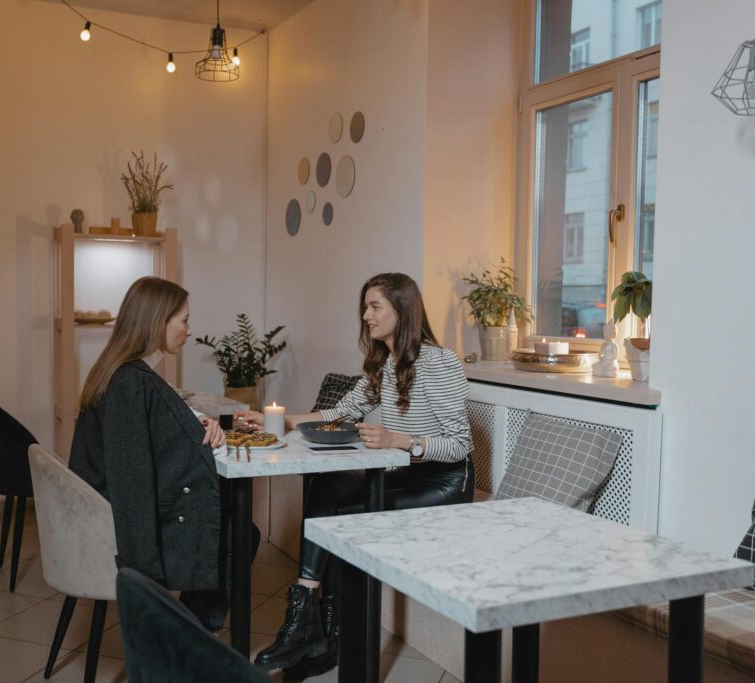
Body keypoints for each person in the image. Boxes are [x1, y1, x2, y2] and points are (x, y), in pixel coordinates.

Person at [237, 272, 474, 675]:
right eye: (365, 306)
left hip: (445, 480)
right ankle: (312, 620)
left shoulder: (439, 361)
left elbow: (460, 444)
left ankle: (320, 633)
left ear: (402, 309)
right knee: (327, 484)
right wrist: (279, 421)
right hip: (402, 471)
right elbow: (339, 412)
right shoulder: (383, 362)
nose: (365, 315)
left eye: (374, 306)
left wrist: (400, 440)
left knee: (346, 512)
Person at [68, 276, 233, 627]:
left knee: (231, 523)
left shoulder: (124, 372)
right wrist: (143, 575)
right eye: (184, 320)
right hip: (124, 531)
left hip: (106, 517)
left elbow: (146, 439)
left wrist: (197, 425)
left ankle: (189, 634)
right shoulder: (130, 382)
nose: (189, 331)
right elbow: (132, 480)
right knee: (232, 530)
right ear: (159, 321)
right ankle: (189, 637)